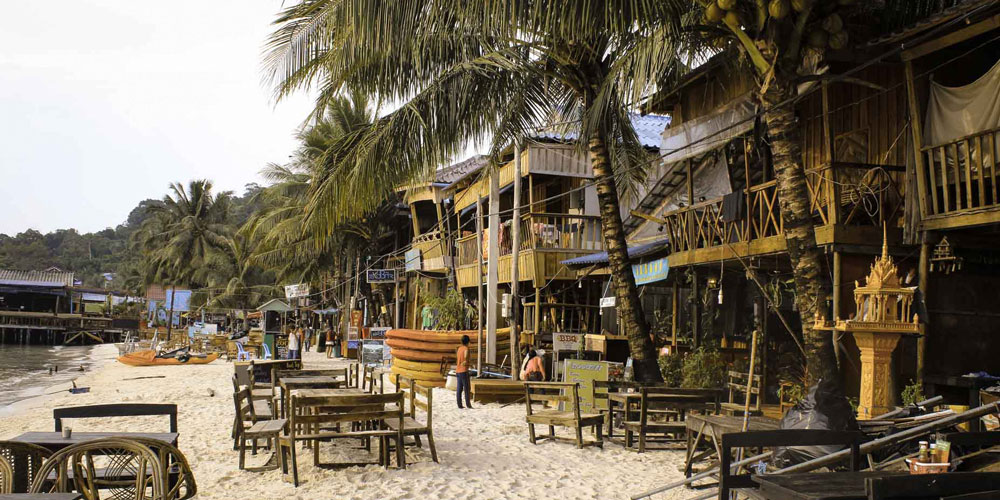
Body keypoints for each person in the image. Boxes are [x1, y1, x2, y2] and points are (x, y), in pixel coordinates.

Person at [455, 334, 472, 409]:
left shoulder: (459, 349)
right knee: (467, 388)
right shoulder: (466, 349)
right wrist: (467, 362)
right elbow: (465, 358)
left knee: (459, 389)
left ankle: (459, 404)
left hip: (458, 370)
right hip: (463, 370)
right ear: (468, 342)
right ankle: (468, 404)